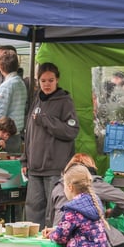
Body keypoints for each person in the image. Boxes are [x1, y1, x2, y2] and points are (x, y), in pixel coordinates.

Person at [22, 62, 79, 228]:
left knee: (54, 210)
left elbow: (71, 131)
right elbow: (29, 133)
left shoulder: (65, 102)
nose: (47, 84)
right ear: (38, 81)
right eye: (43, 80)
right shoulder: (36, 100)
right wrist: (25, 160)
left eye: (51, 80)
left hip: (56, 167)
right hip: (34, 168)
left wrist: (46, 120)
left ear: (57, 80)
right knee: (33, 209)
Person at [46, 154, 124, 233]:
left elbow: (50, 217)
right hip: (84, 238)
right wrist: (112, 213)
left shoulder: (58, 186)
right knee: (122, 239)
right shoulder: (94, 183)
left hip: (57, 234)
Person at [0, 50, 27, 134]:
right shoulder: (21, 82)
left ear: (0, 67)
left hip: (5, 135)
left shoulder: (6, 85)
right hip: (16, 132)